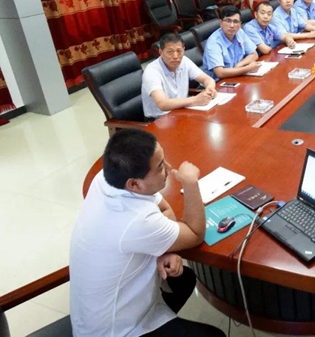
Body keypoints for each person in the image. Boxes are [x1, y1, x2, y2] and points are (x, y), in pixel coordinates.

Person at [70, 129, 225, 337]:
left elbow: (164, 209)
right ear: (135, 183)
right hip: (115, 332)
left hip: (101, 314)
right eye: (160, 167)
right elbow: (195, 234)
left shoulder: (106, 179)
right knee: (215, 335)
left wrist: (165, 248)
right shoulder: (137, 220)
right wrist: (190, 183)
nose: (169, 169)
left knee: (183, 278)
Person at [142, 33, 217, 120]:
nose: (175, 56)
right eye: (170, 52)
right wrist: (195, 100)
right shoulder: (151, 71)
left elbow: (207, 79)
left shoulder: (184, 61)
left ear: (183, 50)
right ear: (161, 52)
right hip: (159, 119)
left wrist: (210, 89)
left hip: (182, 111)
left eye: (179, 51)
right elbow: (162, 104)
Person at [202, 5, 261, 80]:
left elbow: (254, 54)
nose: (232, 25)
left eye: (236, 21)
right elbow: (220, 73)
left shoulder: (239, 32)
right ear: (221, 23)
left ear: (240, 24)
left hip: (236, 76)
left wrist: (239, 65)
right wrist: (247, 69)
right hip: (217, 83)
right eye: (228, 21)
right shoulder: (214, 42)